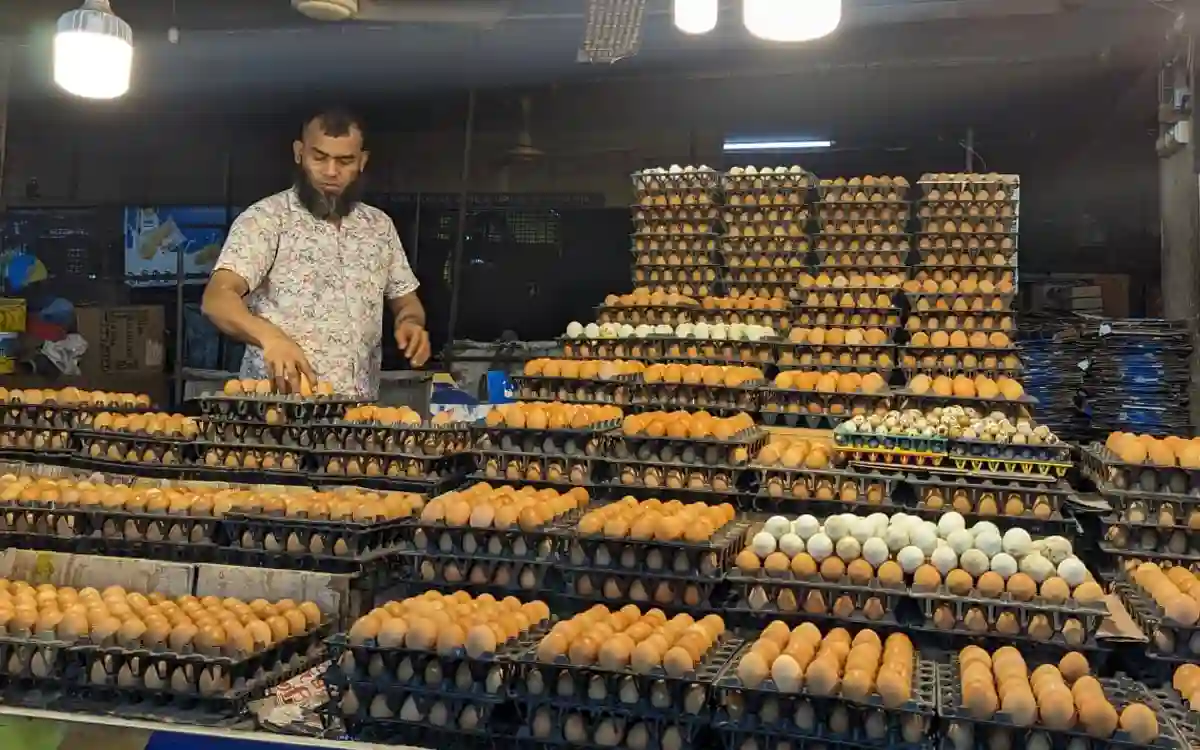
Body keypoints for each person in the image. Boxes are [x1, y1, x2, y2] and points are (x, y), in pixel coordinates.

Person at [202, 107, 430, 399]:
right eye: (319, 158)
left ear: (362, 161)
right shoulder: (266, 219)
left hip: (358, 414)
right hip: (279, 412)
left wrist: (410, 323)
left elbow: (406, 301)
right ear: (299, 153)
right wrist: (271, 338)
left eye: (345, 161)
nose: (331, 171)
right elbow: (217, 299)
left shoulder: (379, 227)